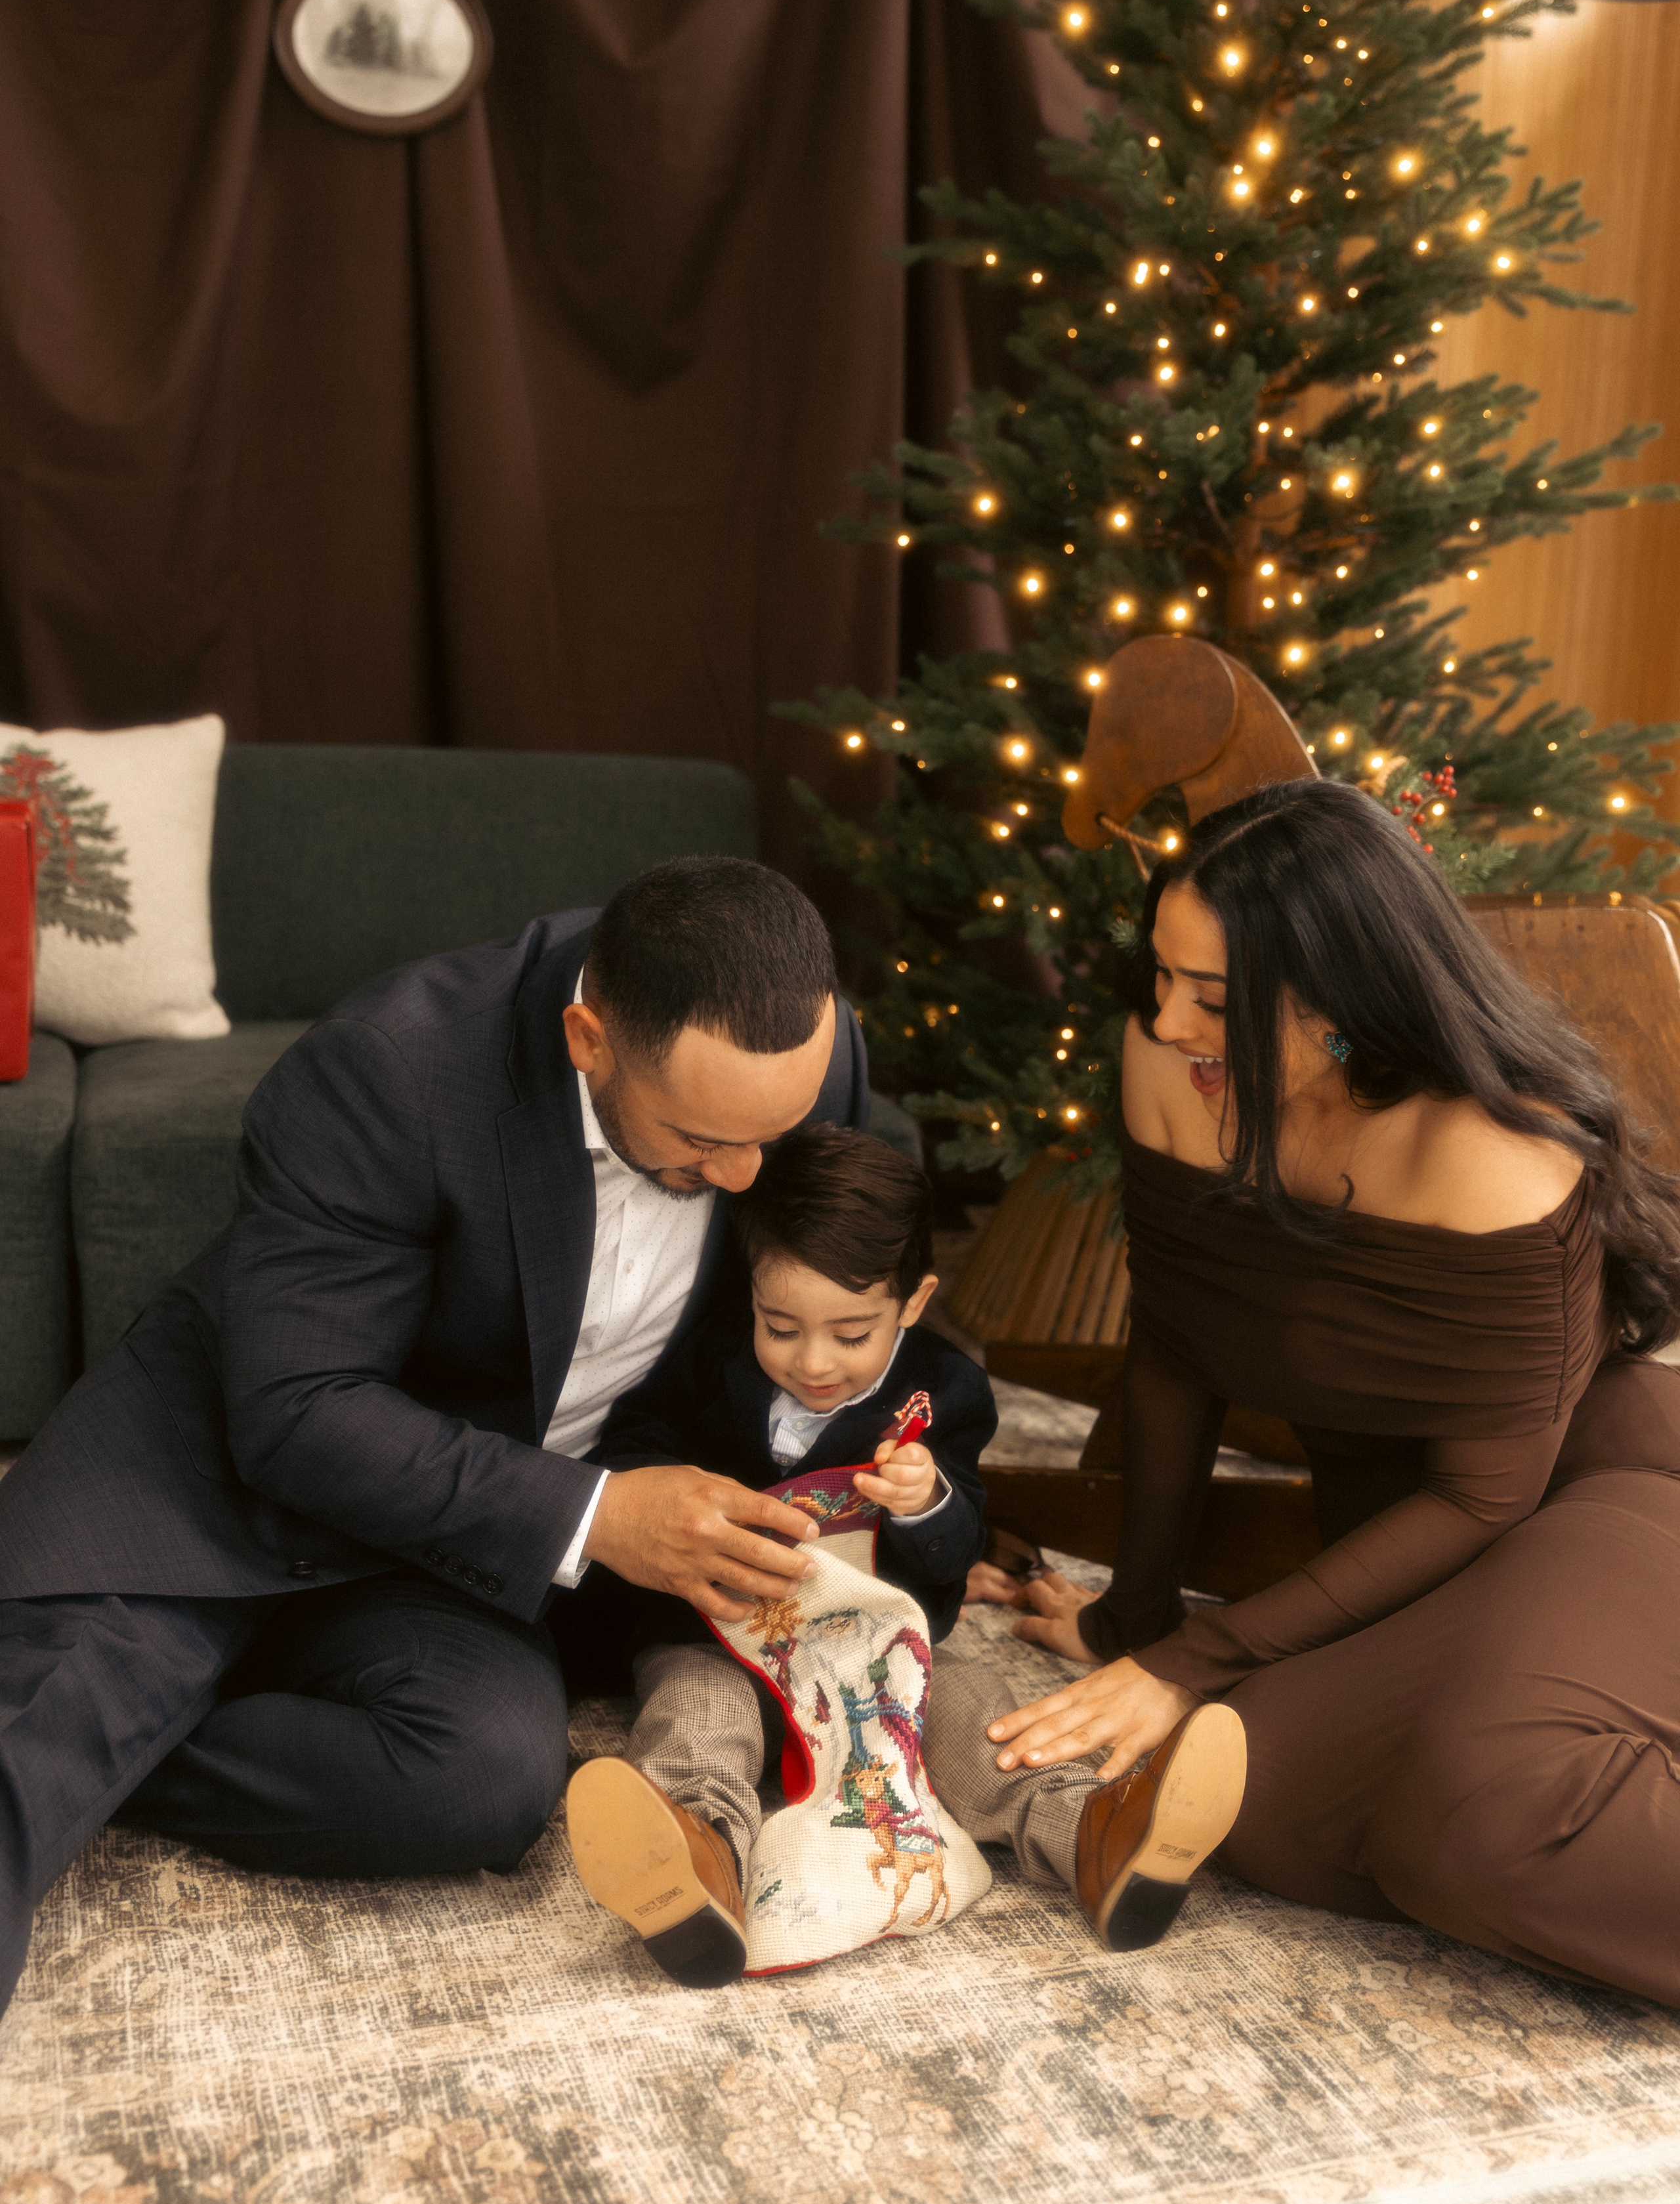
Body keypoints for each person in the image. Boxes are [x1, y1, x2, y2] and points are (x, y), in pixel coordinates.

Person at [0, 855, 870, 2018]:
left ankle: (148, 1727)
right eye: (704, 1140)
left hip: (457, 1534)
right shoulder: (390, 1069)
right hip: (211, 1490)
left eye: (776, 1132)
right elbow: (296, 1412)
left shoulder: (799, 1065)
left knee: (488, 1781)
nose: (749, 1173)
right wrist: (601, 1515)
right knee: (31, 1753)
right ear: (587, 1039)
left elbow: (827, 1301)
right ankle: (107, 1704)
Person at [927, 780, 1680, 2003]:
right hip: (1426, 1556)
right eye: (1160, 978)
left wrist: (1201, 1654)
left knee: (1488, 1816)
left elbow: (1486, 1499)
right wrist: (1142, 1623)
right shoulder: (1175, 1066)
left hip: (1602, 1504)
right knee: (1254, 1807)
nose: (1169, 1023)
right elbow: (1178, 1350)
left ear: (1342, 1000)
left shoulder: (1491, 1146)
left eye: (1212, 998)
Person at [566, 1124, 994, 1986]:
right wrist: (671, 1491)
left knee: (979, 1719)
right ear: (750, 1294)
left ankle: (1092, 1828)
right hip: (717, 1637)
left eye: (850, 1333)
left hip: (873, 1651)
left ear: (912, 1304)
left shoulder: (939, 1392)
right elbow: (638, 1445)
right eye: (782, 1326)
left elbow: (959, 1549)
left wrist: (930, 1503)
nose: (813, 1361)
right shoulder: (709, 1358)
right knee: (696, 1720)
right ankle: (698, 1866)